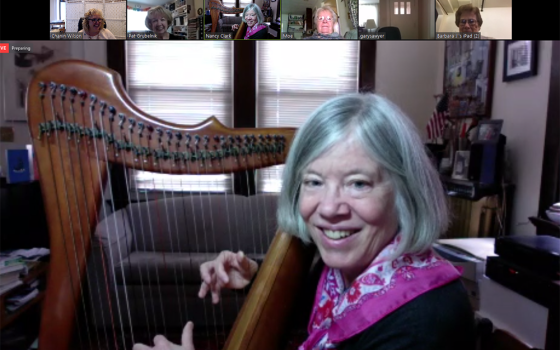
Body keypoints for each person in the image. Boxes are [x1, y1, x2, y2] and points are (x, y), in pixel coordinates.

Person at [132, 93, 476, 350]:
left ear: (404, 192)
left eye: (358, 183)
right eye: (313, 181)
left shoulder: (424, 325)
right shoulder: (338, 271)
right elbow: (316, 312)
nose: (328, 208)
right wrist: (254, 277)